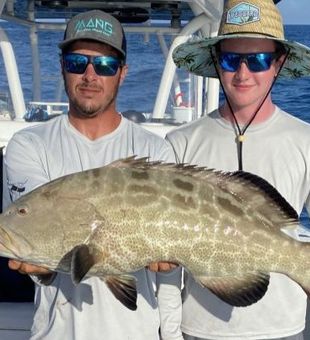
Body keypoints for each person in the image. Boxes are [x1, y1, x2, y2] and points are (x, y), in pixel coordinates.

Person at [4, 9, 175, 340]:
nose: (90, 75)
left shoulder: (156, 151)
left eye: (106, 65)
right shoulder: (29, 145)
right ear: (63, 68)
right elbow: (46, 235)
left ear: (122, 73)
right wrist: (42, 269)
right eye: (77, 63)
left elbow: (167, 278)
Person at [158, 0, 310, 339]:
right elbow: (167, 262)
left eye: (257, 60)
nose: (243, 73)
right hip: (198, 329)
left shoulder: (306, 141)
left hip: (282, 330)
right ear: (216, 62)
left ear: (278, 63)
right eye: (231, 59)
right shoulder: (179, 143)